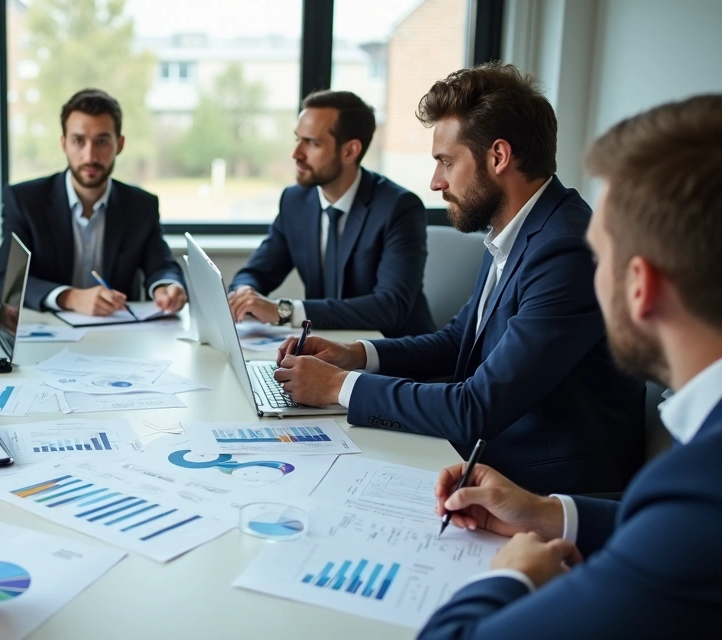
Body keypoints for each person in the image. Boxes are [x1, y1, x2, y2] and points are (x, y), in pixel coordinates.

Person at [419, 94, 722, 638]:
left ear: (640, 285)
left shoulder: (701, 486)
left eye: (600, 257)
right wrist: (549, 513)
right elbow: (662, 534)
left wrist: (508, 581)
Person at [274, 63, 644, 495]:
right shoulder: (516, 228)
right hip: (489, 456)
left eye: (446, 162)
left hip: (543, 486)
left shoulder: (566, 249)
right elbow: (457, 343)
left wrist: (338, 387)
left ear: (499, 157)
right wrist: (354, 355)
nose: (435, 182)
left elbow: (477, 407)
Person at [228, 90, 435, 337]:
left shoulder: (399, 207)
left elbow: (389, 307)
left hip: (391, 357)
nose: (296, 154)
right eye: (298, 139)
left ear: (350, 151)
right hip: (325, 350)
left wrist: (285, 311)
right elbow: (257, 271)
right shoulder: (295, 201)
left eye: (312, 143)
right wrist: (243, 294)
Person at [0, 88, 187, 316]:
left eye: (102, 142)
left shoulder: (141, 206)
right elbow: (8, 282)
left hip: (118, 334)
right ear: (64, 143)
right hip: (47, 333)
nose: (90, 156)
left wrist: (167, 286)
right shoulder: (24, 201)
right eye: (78, 141)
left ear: (120, 144)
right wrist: (71, 297)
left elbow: (161, 265)